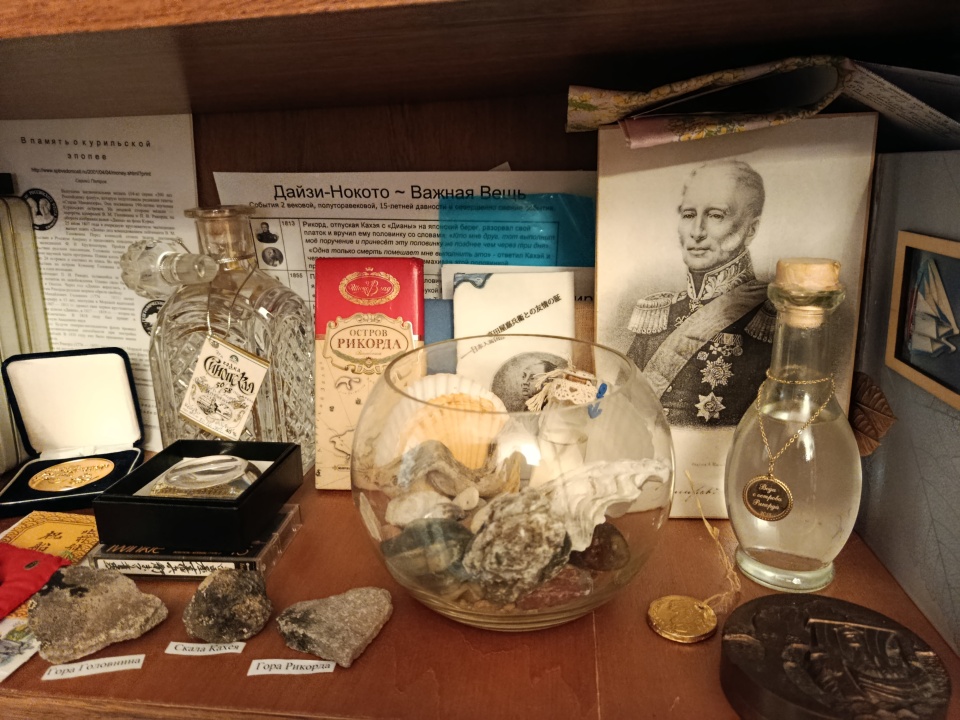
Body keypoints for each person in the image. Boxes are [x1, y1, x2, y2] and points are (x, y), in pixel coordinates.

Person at [625, 159, 776, 426]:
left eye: (716, 215)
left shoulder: (773, 317)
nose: (696, 232)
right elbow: (621, 410)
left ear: (751, 229)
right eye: (688, 214)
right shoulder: (658, 312)